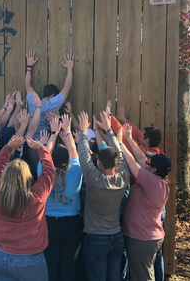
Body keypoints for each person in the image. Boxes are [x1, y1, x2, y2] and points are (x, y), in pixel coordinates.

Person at [0, 135, 55, 281]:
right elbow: (48, 172)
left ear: (4, 177)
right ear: (28, 178)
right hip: (29, 260)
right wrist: (41, 148)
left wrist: (8, 148)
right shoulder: (36, 198)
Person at [77, 111, 130, 281]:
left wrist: (84, 131)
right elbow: (119, 152)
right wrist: (108, 130)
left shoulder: (94, 178)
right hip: (116, 237)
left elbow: (84, 153)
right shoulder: (124, 178)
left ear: (98, 162)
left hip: (96, 238)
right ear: (117, 164)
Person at [118, 124, 171, 281]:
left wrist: (120, 141)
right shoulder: (158, 180)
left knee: (143, 276)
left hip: (141, 239)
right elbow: (141, 159)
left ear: (153, 169)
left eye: (149, 162)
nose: (146, 161)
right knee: (142, 272)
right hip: (146, 236)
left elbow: (133, 163)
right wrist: (128, 137)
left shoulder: (151, 181)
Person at [37, 115, 83, 281]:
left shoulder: (44, 173)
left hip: (48, 224)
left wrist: (53, 134)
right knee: (69, 267)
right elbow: (74, 153)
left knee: (50, 266)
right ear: (67, 162)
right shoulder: (75, 174)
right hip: (71, 225)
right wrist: (68, 131)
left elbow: (45, 155)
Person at [25, 51, 74, 139]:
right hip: (47, 142)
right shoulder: (53, 103)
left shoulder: (33, 102)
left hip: (32, 142)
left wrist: (29, 66)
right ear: (52, 95)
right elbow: (68, 86)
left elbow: (27, 86)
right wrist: (69, 68)